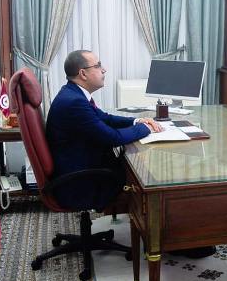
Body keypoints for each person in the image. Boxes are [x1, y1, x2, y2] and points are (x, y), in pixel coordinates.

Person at [46, 50, 163, 208]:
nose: (104, 69)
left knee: (136, 163)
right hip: (81, 183)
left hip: (85, 167)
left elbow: (105, 118)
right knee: (144, 176)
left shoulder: (73, 94)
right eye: (98, 65)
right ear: (83, 74)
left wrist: (137, 121)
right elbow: (113, 138)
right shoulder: (74, 102)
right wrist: (145, 128)